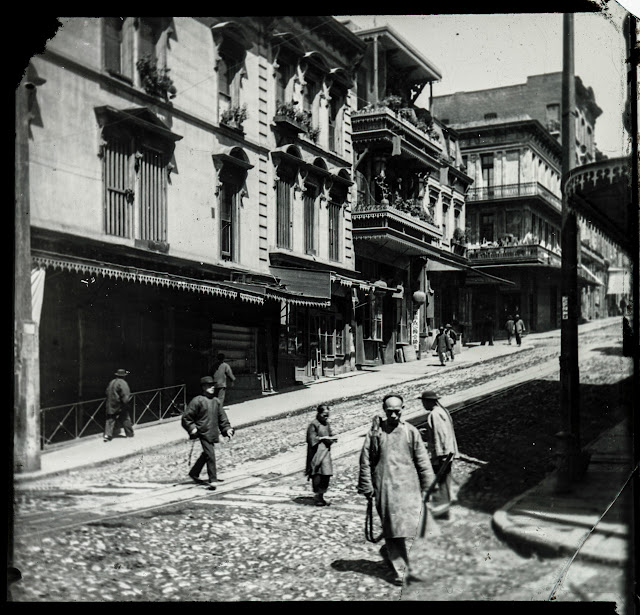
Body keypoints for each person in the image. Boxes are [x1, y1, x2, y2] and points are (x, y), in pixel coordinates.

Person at [358, 393, 435, 586]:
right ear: (384, 410)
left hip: (409, 490)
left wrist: (429, 487)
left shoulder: (411, 432)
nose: (393, 415)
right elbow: (365, 461)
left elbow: (423, 462)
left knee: (415, 528)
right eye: (389, 411)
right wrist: (367, 486)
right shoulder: (375, 434)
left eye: (397, 411)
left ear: (402, 410)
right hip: (385, 490)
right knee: (393, 531)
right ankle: (401, 570)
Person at [182, 376, 235, 490]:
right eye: (209, 386)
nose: (212, 388)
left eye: (213, 385)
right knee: (210, 455)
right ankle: (213, 480)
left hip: (213, 432)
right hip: (202, 432)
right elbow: (186, 418)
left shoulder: (216, 401)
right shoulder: (198, 401)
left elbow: (222, 419)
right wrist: (193, 428)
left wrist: (227, 429)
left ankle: (194, 473)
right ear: (203, 387)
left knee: (206, 454)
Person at [418, 390, 459, 520]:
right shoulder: (442, 411)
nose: (423, 404)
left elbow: (441, 436)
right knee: (444, 482)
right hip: (448, 453)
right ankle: (445, 510)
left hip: (442, 455)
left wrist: (441, 456)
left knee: (439, 483)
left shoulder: (434, 415)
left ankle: (442, 512)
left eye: (423, 402)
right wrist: (427, 433)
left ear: (428, 402)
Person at [305, 404, 338, 506]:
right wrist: (322, 438)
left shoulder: (326, 424)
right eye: (324, 415)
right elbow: (311, 440)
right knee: (318, 473)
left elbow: (330, 434)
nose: (326, 417)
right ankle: (318, 496)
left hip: (326, 453)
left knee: (326, 473)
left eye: (327, 415)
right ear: (319, 414)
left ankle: (321, 495)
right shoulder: (313, 425)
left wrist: (332, 439)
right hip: (316, 454)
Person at [104, 368, 134, 442]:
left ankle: (107, 435)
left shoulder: (112, 382)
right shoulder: (123, 383)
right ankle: (129, 433)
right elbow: (125, 395)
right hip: (119, 404)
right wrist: (126, 403)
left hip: (110, 404)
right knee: (125, 417)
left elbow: (106, 391)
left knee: (110, 419)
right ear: (123, 376)